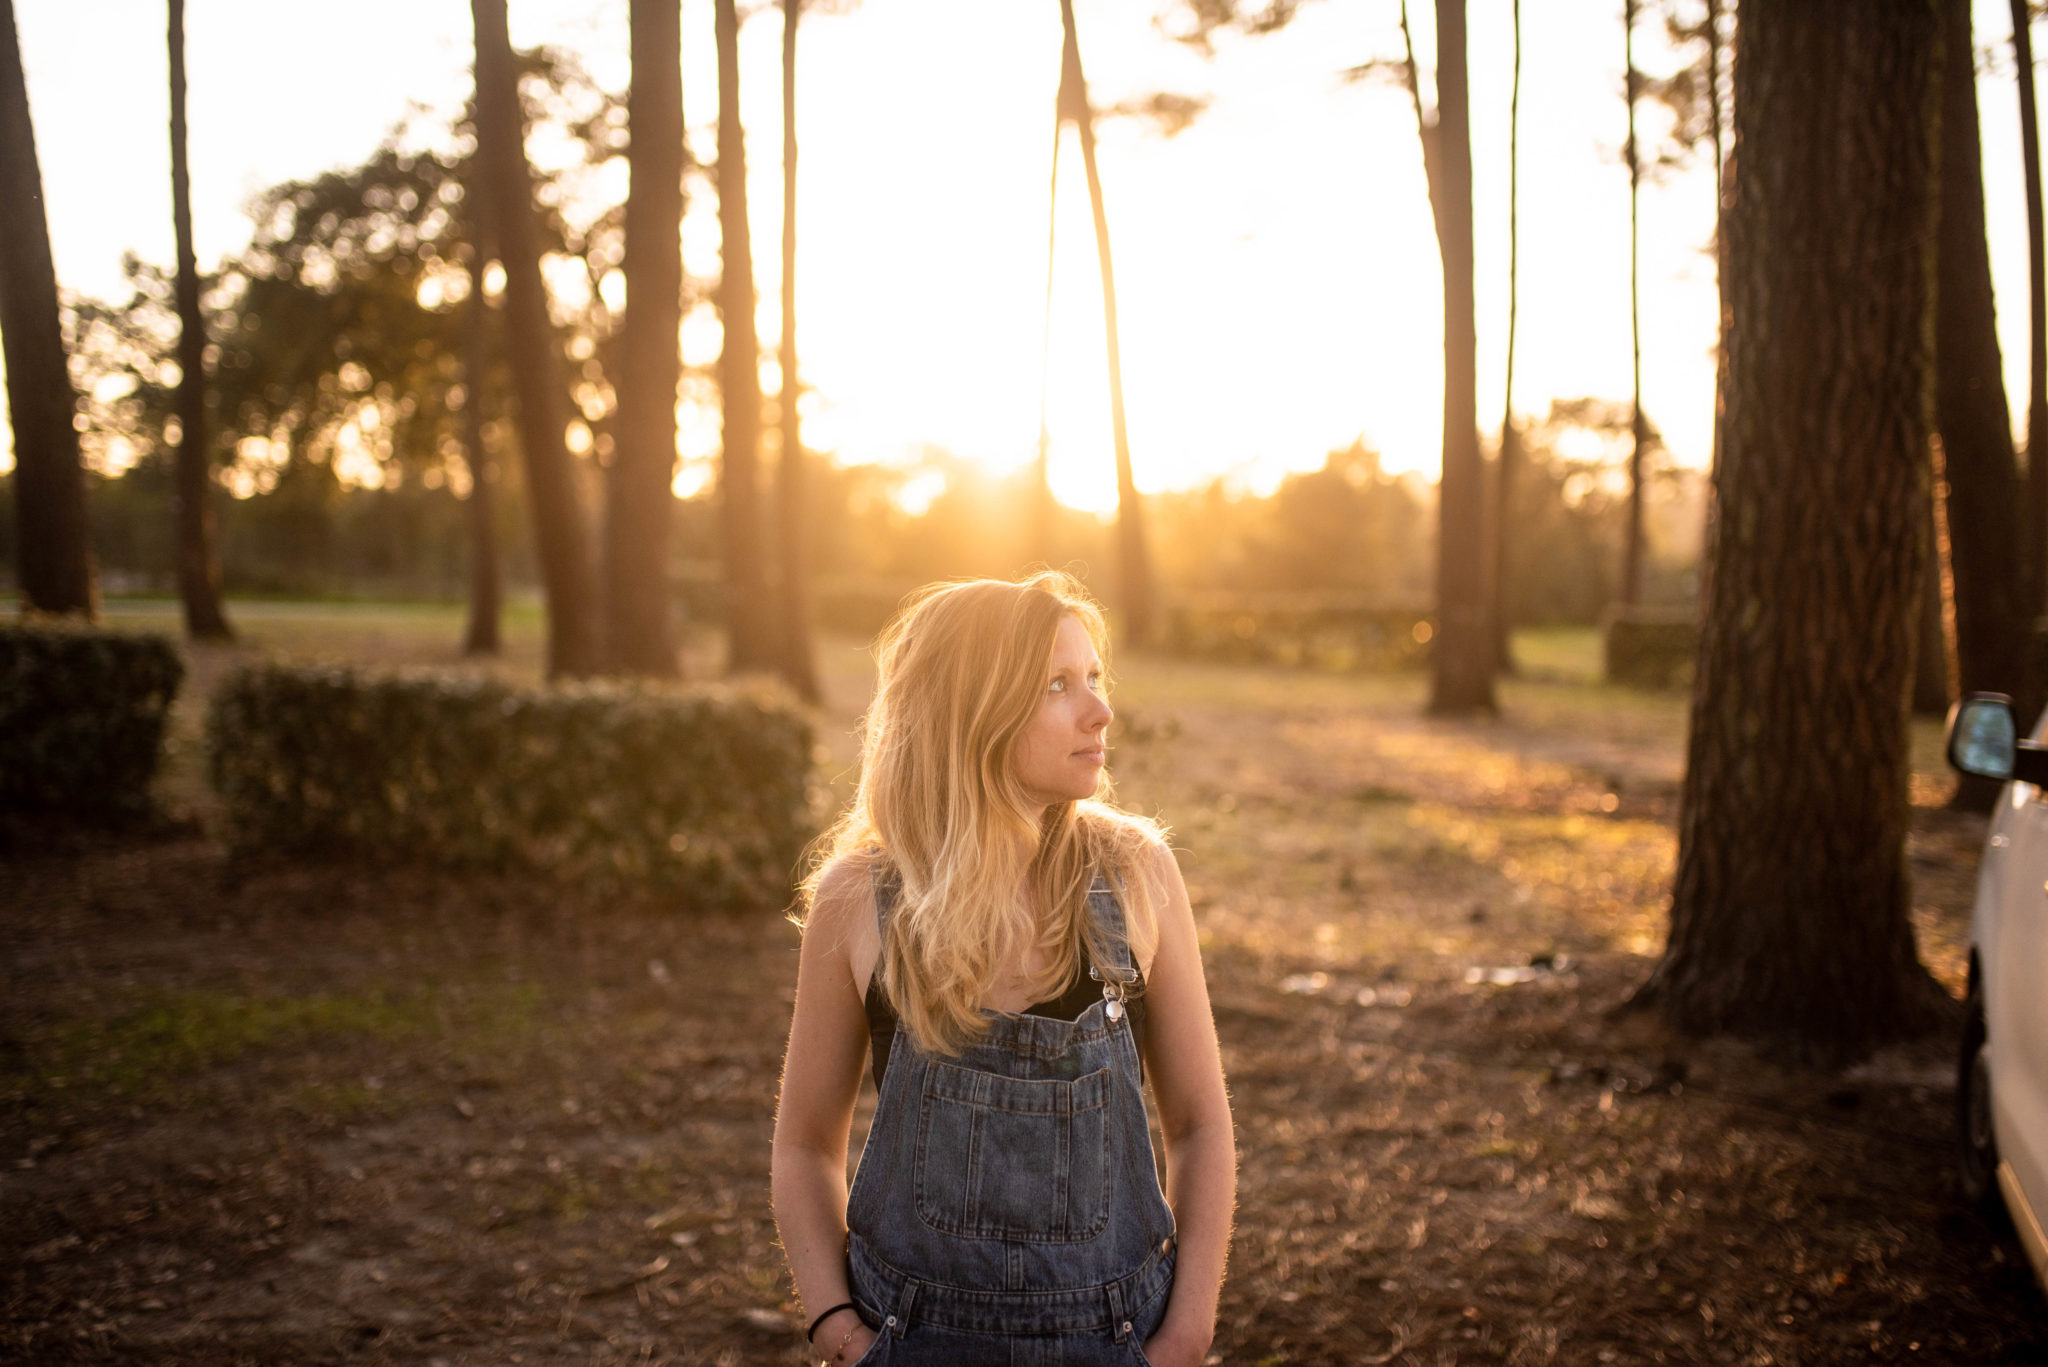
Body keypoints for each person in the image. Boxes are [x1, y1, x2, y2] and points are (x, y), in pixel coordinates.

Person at [772, 572, 1236, 1367]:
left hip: (1116, 1343)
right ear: (972, 708)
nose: (1101, 710)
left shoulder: (1136, 874)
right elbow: (805, 1145)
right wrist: (839, 1331)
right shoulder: (859, 898)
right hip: (911, 1344)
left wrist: (1186, 1335)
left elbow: (1200, 1126)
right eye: (1058, 684)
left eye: (1094, 677)